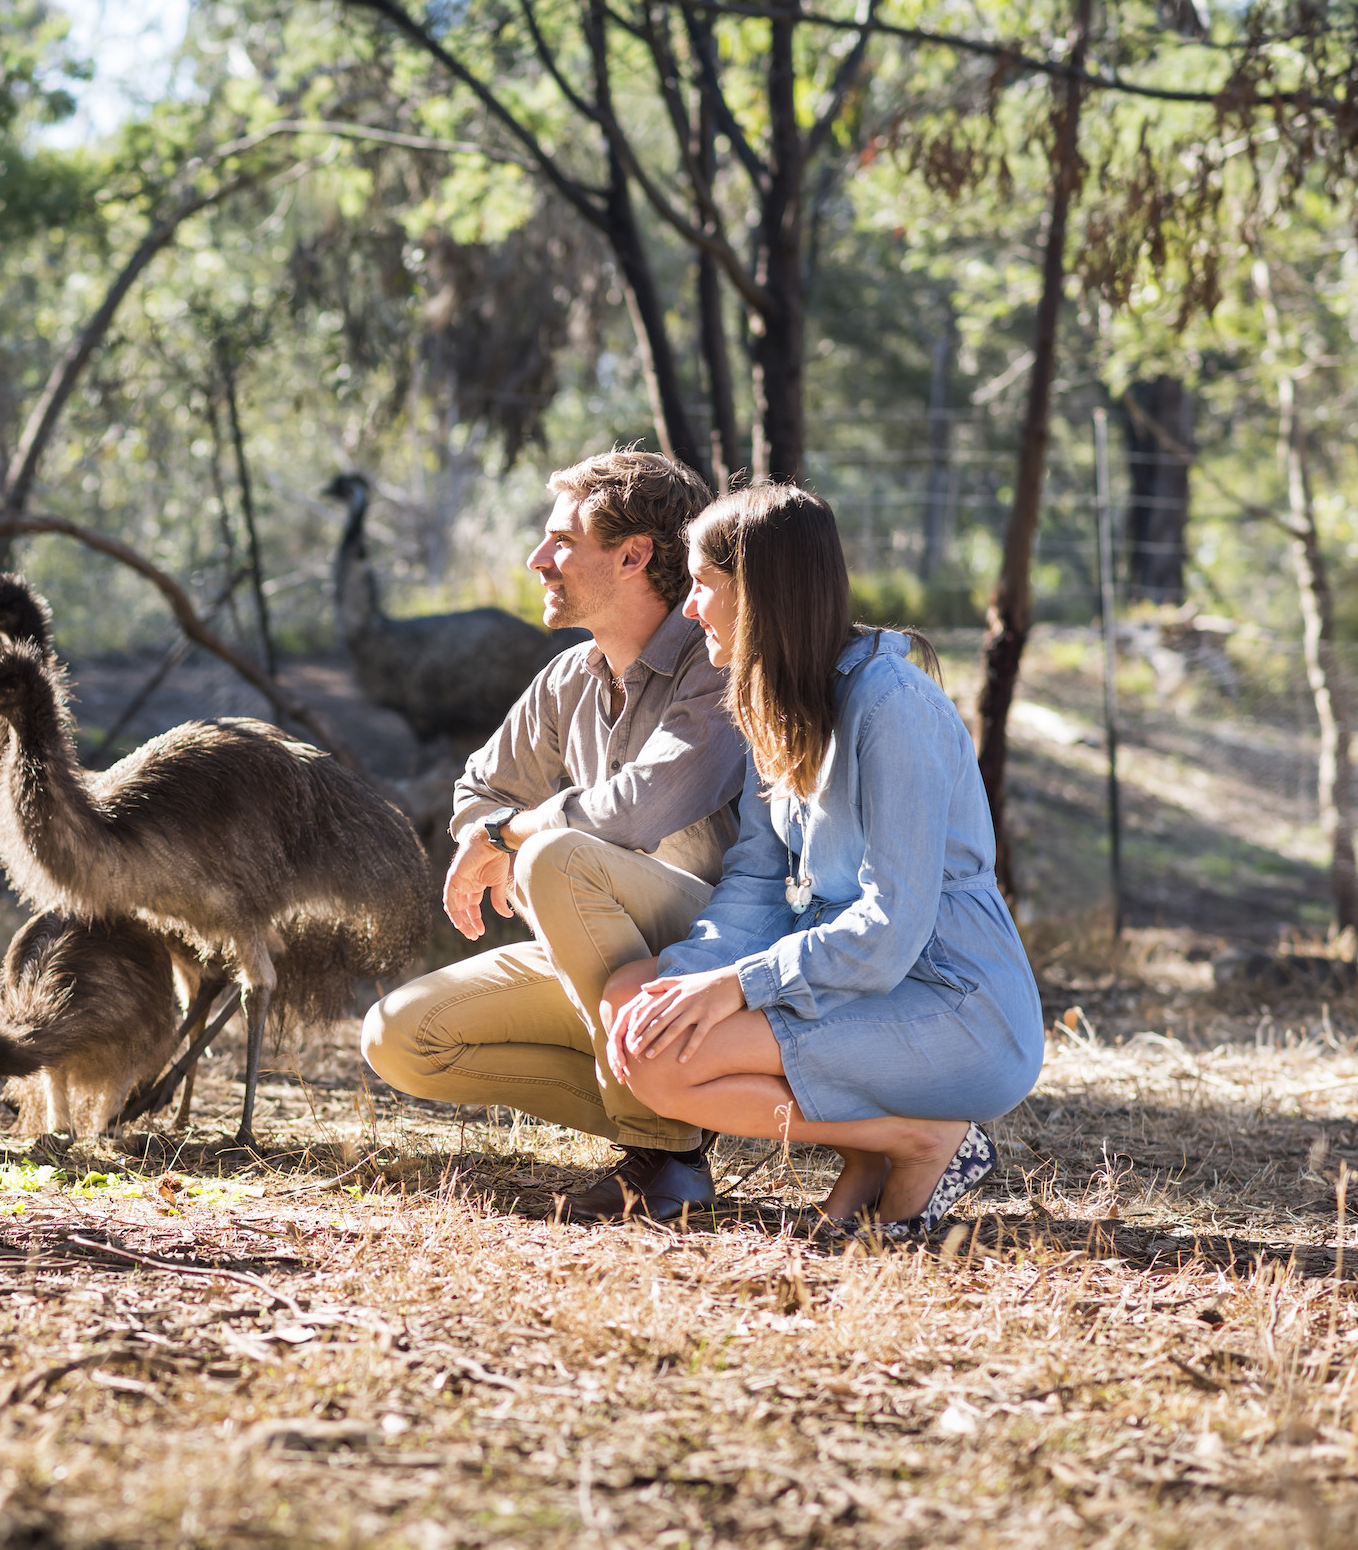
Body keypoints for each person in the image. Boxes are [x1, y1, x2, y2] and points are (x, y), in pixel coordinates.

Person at [603, 484, 1044, 1237]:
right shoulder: (771, 700)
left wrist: (737, 986)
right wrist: (688, 978)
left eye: (703, 586)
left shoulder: (889, 705)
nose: (689, 608)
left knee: (662, 1065)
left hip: (954, 1002)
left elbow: (890, 928)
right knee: (632, 998)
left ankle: (924, 1139)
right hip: (855, 986)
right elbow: (754, 882)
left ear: (762, 592)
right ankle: (872, 1156)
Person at [360, 449, 749, 1220]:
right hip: (602, 959)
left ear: (635, 555)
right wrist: (491, 834)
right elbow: (480, 790)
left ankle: (661, 1159)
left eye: (561, 542)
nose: (539, 560)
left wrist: (514, 840)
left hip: (717, 958)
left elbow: (637, 810)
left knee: (558, 855)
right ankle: (686, 1113)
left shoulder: (715, 666)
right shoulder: (570, 676)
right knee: (399, 1036)